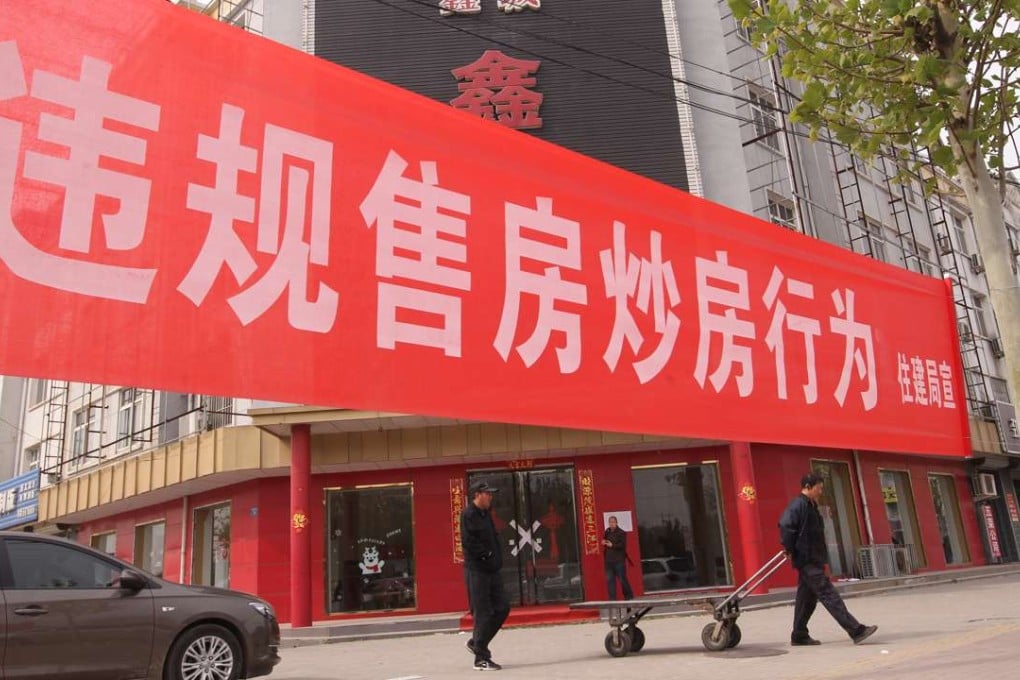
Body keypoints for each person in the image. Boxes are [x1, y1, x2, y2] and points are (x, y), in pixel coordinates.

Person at [779, 472, 878, 647]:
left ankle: (799, 634)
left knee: (806, 600)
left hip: (813, 559)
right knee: (829, 594)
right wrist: (788, 547)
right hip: (807, 560)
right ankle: (856, 630)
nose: (820, 491)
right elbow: (786, 525)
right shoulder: (798, 505)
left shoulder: (811, 506)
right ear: (808, 487)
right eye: (819, 487)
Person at [461, 481, 510, 671]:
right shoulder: (468, 514)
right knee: (482, 613)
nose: (491, 497)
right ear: (477, 494)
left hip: (492, 570)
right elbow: (468, 542)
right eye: (488, 493)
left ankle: (476, 642)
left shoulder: (486, 514)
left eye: (492, 493)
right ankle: (481, 658)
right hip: (478, 571)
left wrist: (496, 558)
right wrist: (486, 555)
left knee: (503, 608)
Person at [602, 516, 633, 600]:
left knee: (622, 579)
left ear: (616, 523)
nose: (611, 524)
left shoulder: (621, 533)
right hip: (609, 561)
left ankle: (629, 596)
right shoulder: (607, 531)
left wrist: (612, 545)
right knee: (610, 581)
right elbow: (605, 540)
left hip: (618, 561)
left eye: (613, 522)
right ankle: (612, 599)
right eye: (610, 522)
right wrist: (604, 542)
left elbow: (622, 546)